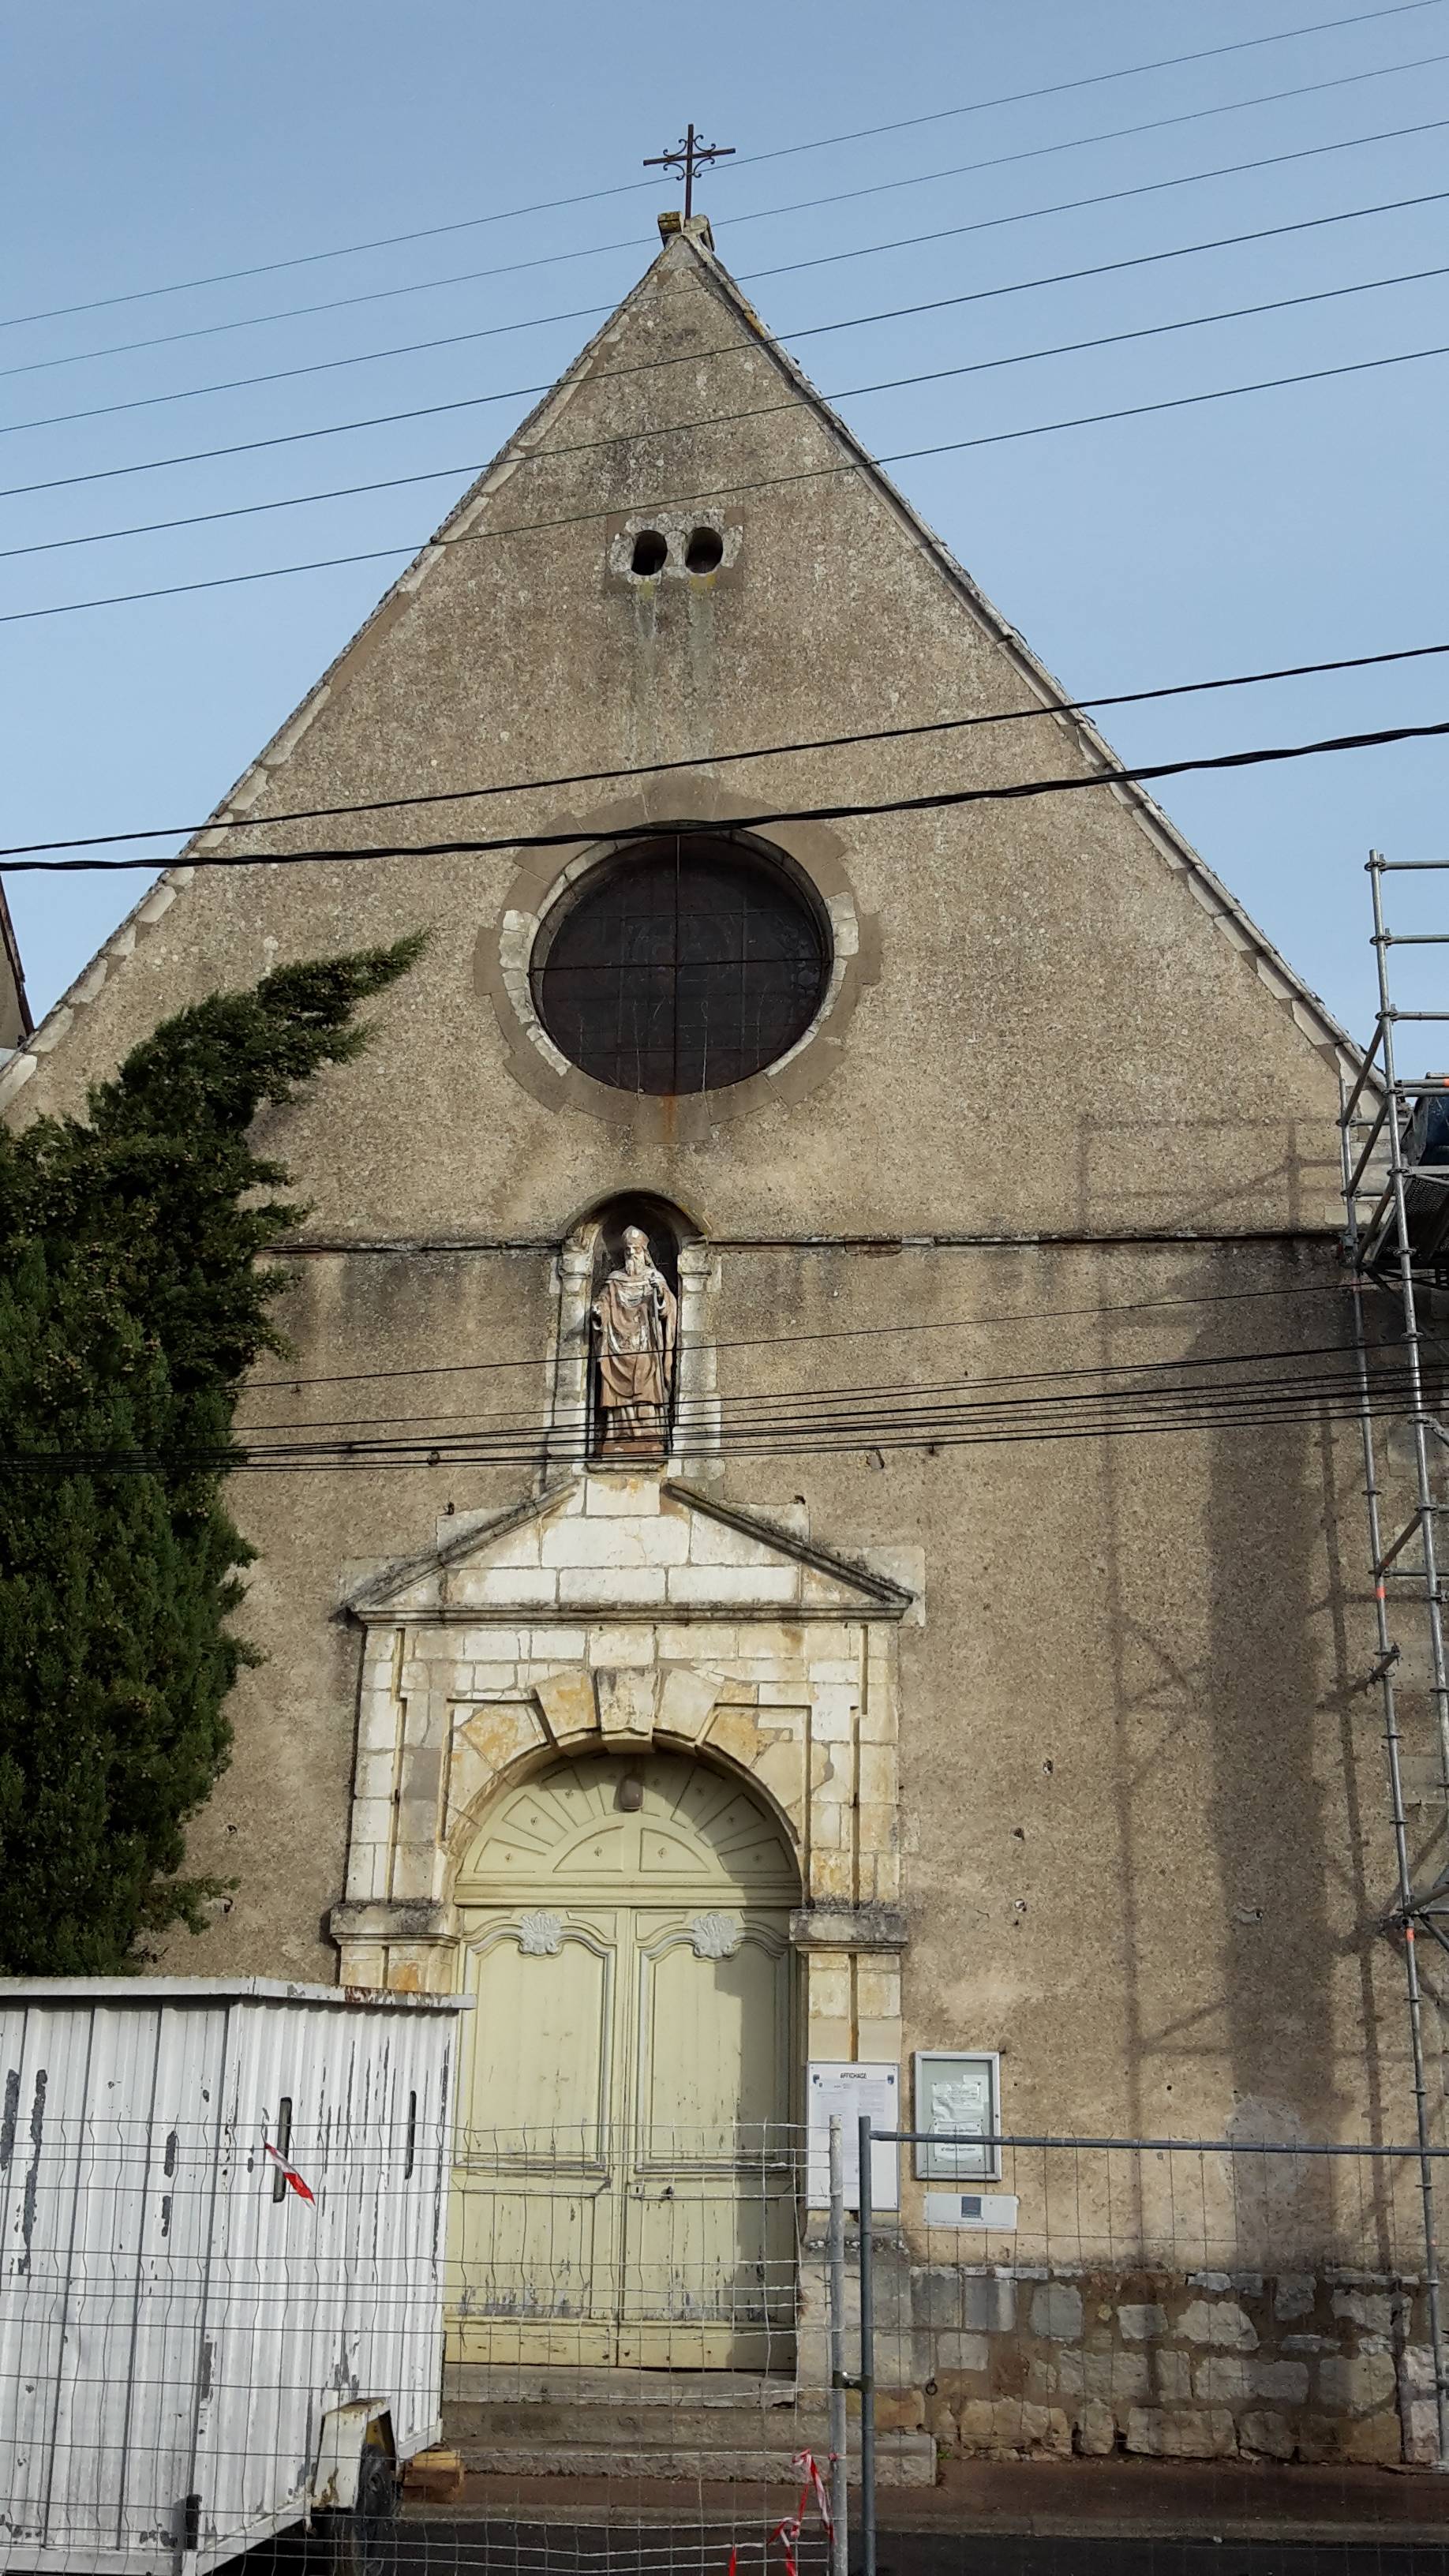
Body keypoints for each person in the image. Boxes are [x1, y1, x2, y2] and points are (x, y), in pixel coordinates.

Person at [591, 1226, 677, 1454]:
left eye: (635, 1250)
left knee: (647, 1390)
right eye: (628, 1250)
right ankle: (617, 1434)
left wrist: (659, 1294)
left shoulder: (654, 1278)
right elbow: (603, 1302)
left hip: (646, 1344)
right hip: (617, 1344)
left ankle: (648, 1433)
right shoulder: (615, 1279)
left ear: (644, 1252)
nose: (631, 1254)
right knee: (617, 1392)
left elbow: (667, 1309)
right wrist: (599, 1310)